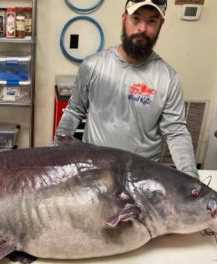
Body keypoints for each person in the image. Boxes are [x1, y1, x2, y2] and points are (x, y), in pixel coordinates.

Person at [56, 0, 199, 178]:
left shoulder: (168, 78)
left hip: (142, 178)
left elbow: (176, 132)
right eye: (136, 19)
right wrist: (56, 152)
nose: (142, 28)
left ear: (161, 25)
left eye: (152, 21)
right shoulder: (93, 66)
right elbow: (74, 111)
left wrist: (191, 176)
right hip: (94, 171)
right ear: (124, 19)